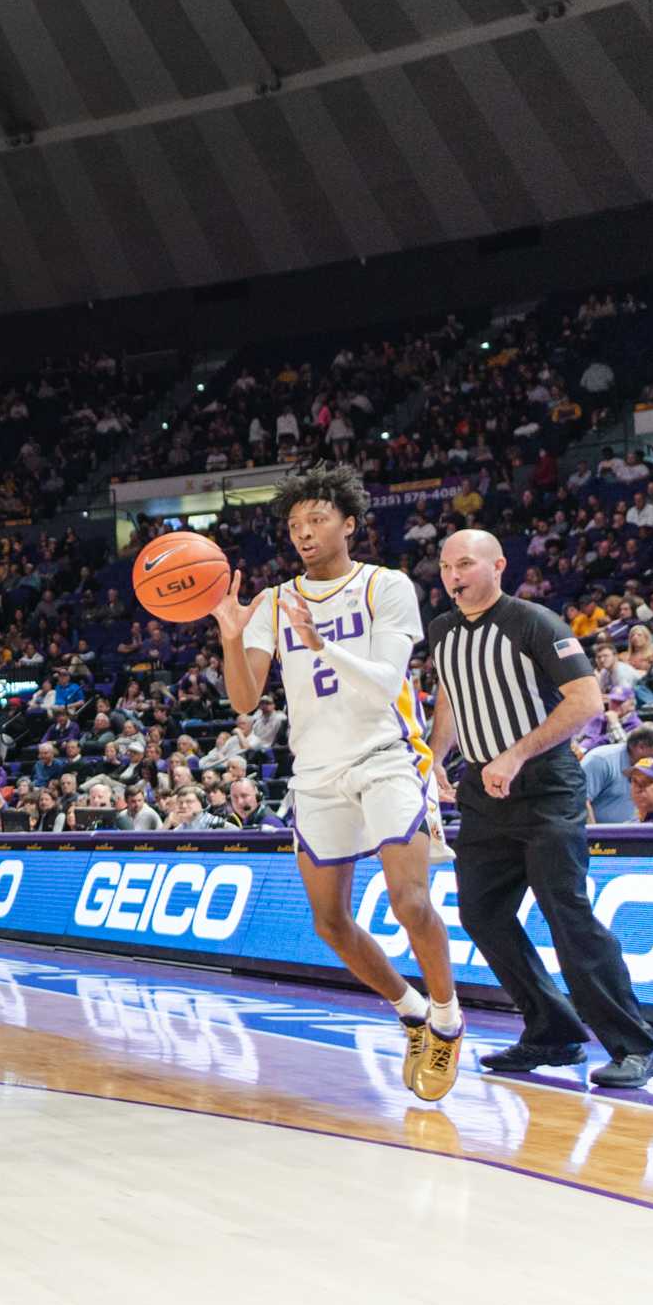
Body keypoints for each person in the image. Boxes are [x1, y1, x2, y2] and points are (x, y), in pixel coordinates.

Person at [212, 463, 465, 1103]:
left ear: (349, 523)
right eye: (295, 524)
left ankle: (447, 1017)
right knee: (329, 923)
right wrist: (233, 639)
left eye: (317, 519)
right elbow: (244, 703)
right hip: (317, 773)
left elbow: (385, 681)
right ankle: (409, 1010)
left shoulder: (387, 586)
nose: (304, 532)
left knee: (410, 902)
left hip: (386, 756)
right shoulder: (272, 600)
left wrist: (320, 644)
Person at [428, 530, 653, 1088]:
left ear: (498, 566)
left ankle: (637, 1046)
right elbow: (452, 699)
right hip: (483, 790)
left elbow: (585, 701)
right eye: (444, 567)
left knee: (567, 913)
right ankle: (553, 1033)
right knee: (480, 913)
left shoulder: (534, 622)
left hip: (543, 784)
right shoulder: (441, 631)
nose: (452, 576)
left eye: (464, 564)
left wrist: (516, 753)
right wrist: (435, 757)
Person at [580, 722, 653, 824]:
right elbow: (579, 801)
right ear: (641, 747)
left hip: (631, 834)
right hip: (597, 835)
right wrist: (595, 837)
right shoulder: (601, 760)